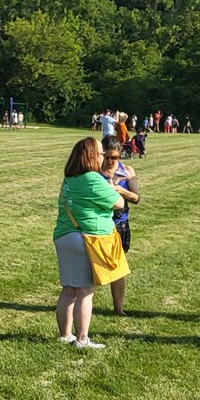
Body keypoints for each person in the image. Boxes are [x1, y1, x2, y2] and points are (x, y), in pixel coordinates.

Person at [54, 138, 126, 348]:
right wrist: (114, 189)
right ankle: (82, 339)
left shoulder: (69, 179)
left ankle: (65, 335)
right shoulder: (93, 179)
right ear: (92, 156)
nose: (104, 156)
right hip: (87, 239)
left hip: (64, 236)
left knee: (69, 289)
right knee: (85, 291)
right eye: (102, 153)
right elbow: (120, 203)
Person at [101, 135, 140, 316]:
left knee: (119, 267)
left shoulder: (127, 171)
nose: (110, 161)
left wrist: (119, 190)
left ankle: (119, 309)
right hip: (101, 223)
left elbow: (136, 198)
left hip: (121, 224)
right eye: (106, 157)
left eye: (114, 157)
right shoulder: (95, 171)